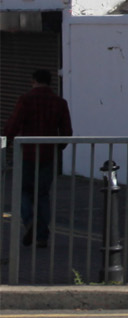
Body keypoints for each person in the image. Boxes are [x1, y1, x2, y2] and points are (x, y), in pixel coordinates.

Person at [5, 68, 72, 246]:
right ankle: (42, 236)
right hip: (48, 155)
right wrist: (58, 148)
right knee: (42, 194)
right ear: (50, 82)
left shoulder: (25, 100)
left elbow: (14, 123)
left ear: (33, 80)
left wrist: (6, 142)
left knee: (23, 191)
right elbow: (67, 131)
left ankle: (29, 221)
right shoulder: (60, 102)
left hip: (27, 153)